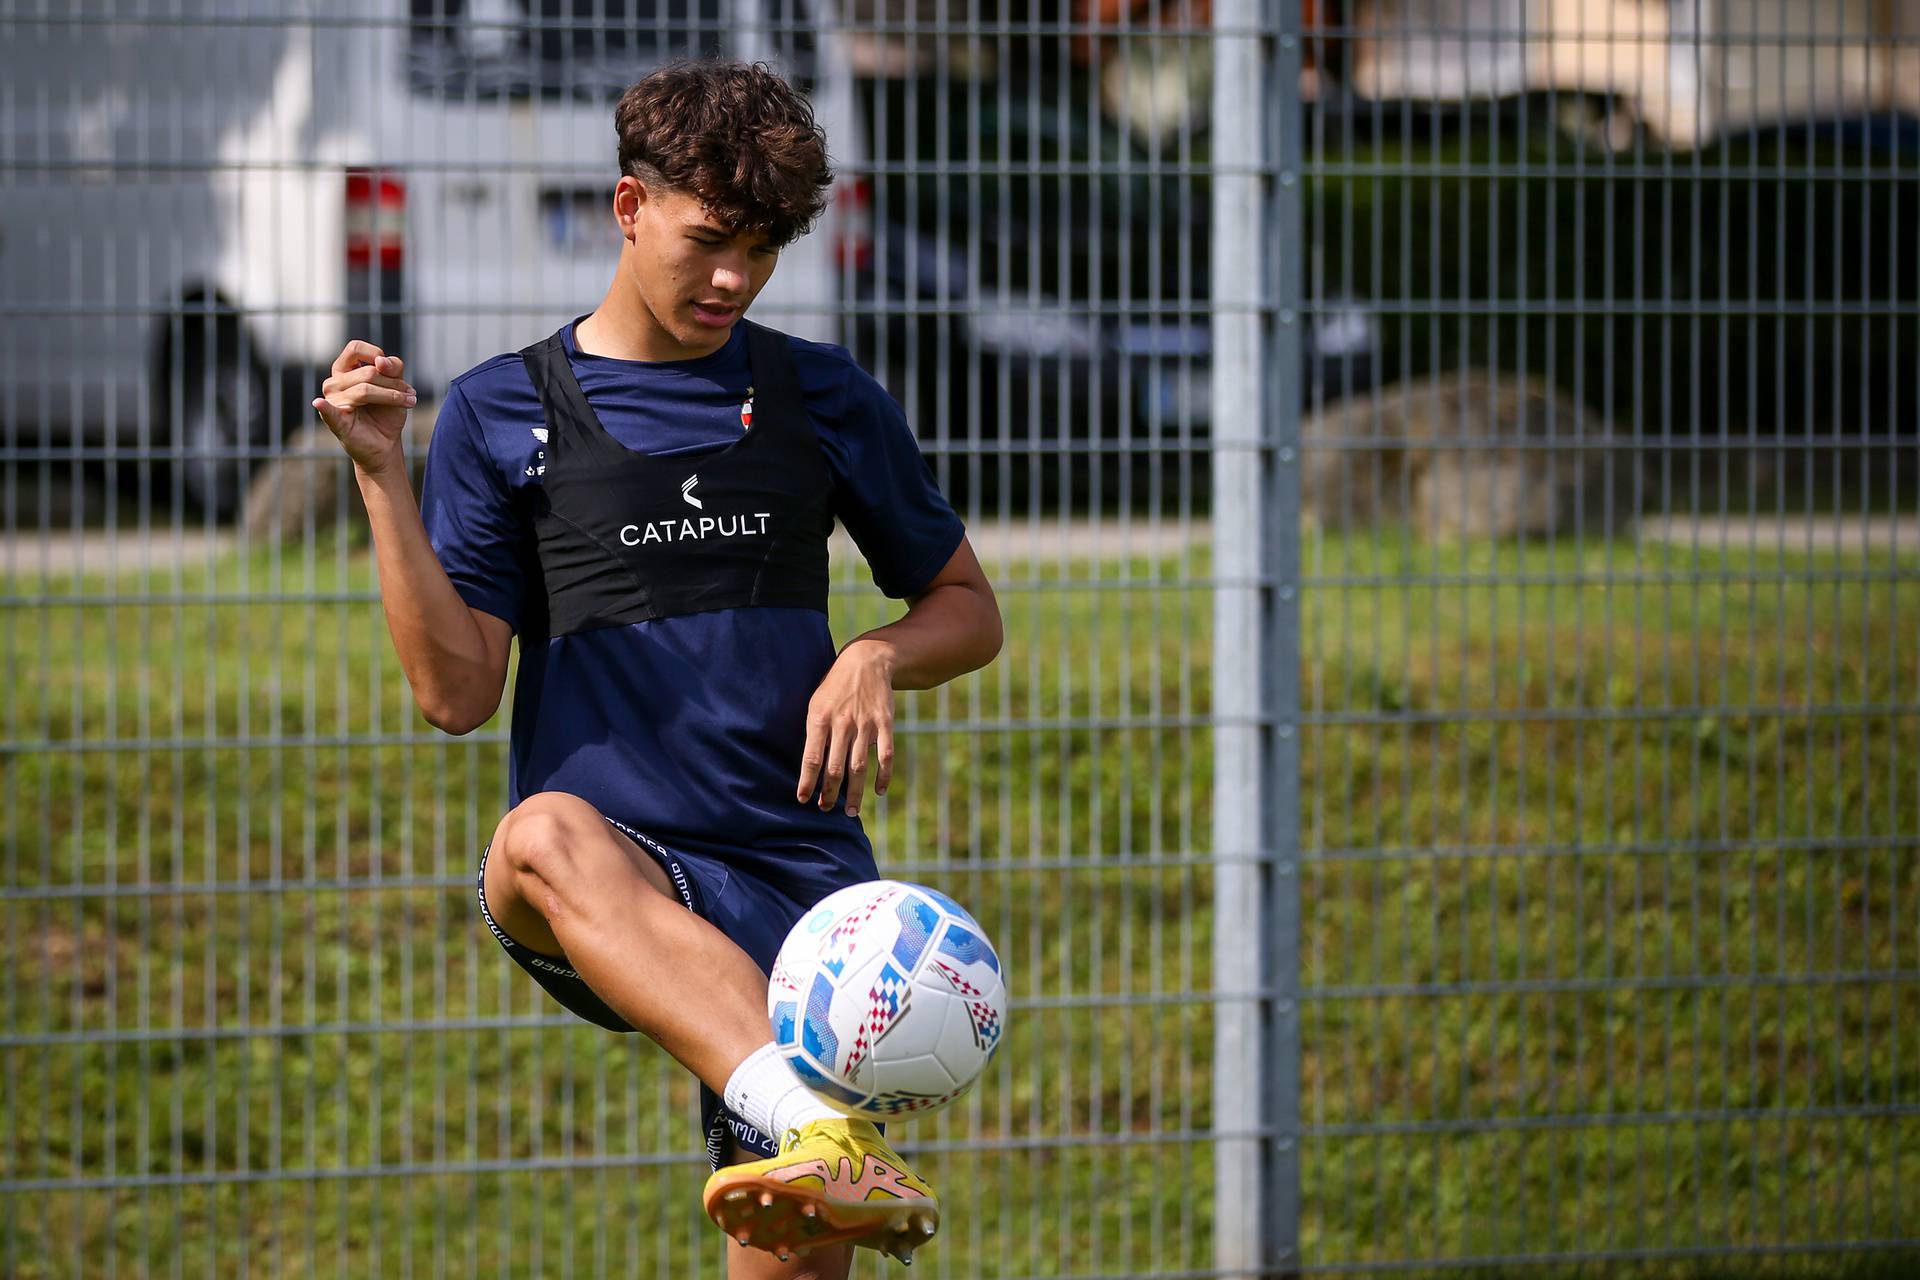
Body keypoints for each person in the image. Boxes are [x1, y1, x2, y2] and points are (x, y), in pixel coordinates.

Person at [311, 59, 1001, 1278]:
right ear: (630, 209)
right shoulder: (498, 412)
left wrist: (874, 655)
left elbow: (967, 607)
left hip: (800, 890)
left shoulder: (821, 395)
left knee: (790, 1248)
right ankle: (815, 1123)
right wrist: (380, 473)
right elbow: (456, 693)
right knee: (536, 834)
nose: (736, 276)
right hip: (616, 878)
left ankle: (808, 1133)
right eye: (711, 238)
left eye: (768, 248)